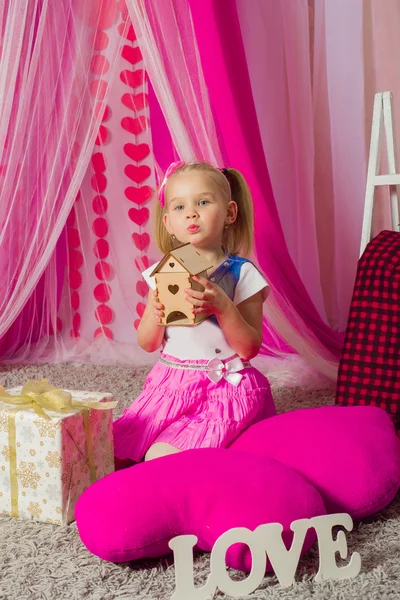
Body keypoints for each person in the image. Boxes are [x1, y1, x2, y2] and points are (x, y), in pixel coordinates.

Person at [113, 160, 276, 466]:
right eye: (179, 207)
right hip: (171, 383)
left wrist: (223, 307)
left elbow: (249, 348)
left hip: (222, 388)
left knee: (160, 457)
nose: (191, 212)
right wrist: (154, 310)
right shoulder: (162, 273)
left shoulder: (242, 273)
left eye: (202, 202)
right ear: (168, 223)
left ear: (229, 213)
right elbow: (148, 343)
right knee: (116, 450)